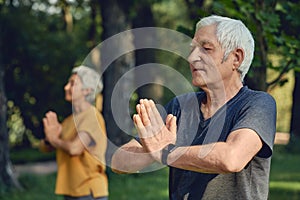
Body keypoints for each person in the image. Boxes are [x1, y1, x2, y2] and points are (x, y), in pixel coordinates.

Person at [111, 15, 277, 199]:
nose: (191, 58)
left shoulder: (258, 104)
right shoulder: (181, 106)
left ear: (236, 58)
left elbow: (231, 158)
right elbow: (119, 161)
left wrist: (166, 151)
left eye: (206, 49)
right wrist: (154, 151)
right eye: (192, 50)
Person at [40, 65, 108, 200]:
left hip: (89, 191)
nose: (66, 87)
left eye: (72, 84)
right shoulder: (69, 121)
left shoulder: (92, 116)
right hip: (72, 191)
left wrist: (55, 140)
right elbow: (44, 147)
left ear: (87, 90)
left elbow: (74, 148)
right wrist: (49, 138)